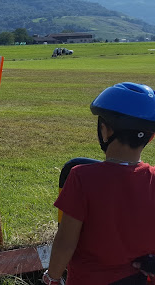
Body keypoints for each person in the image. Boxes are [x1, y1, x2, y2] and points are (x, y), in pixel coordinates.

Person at [43, 82, 155, 285]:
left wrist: (52, 277)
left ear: (104, 131)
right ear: (151, 137)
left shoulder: (81, 177)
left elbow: (66, 241)